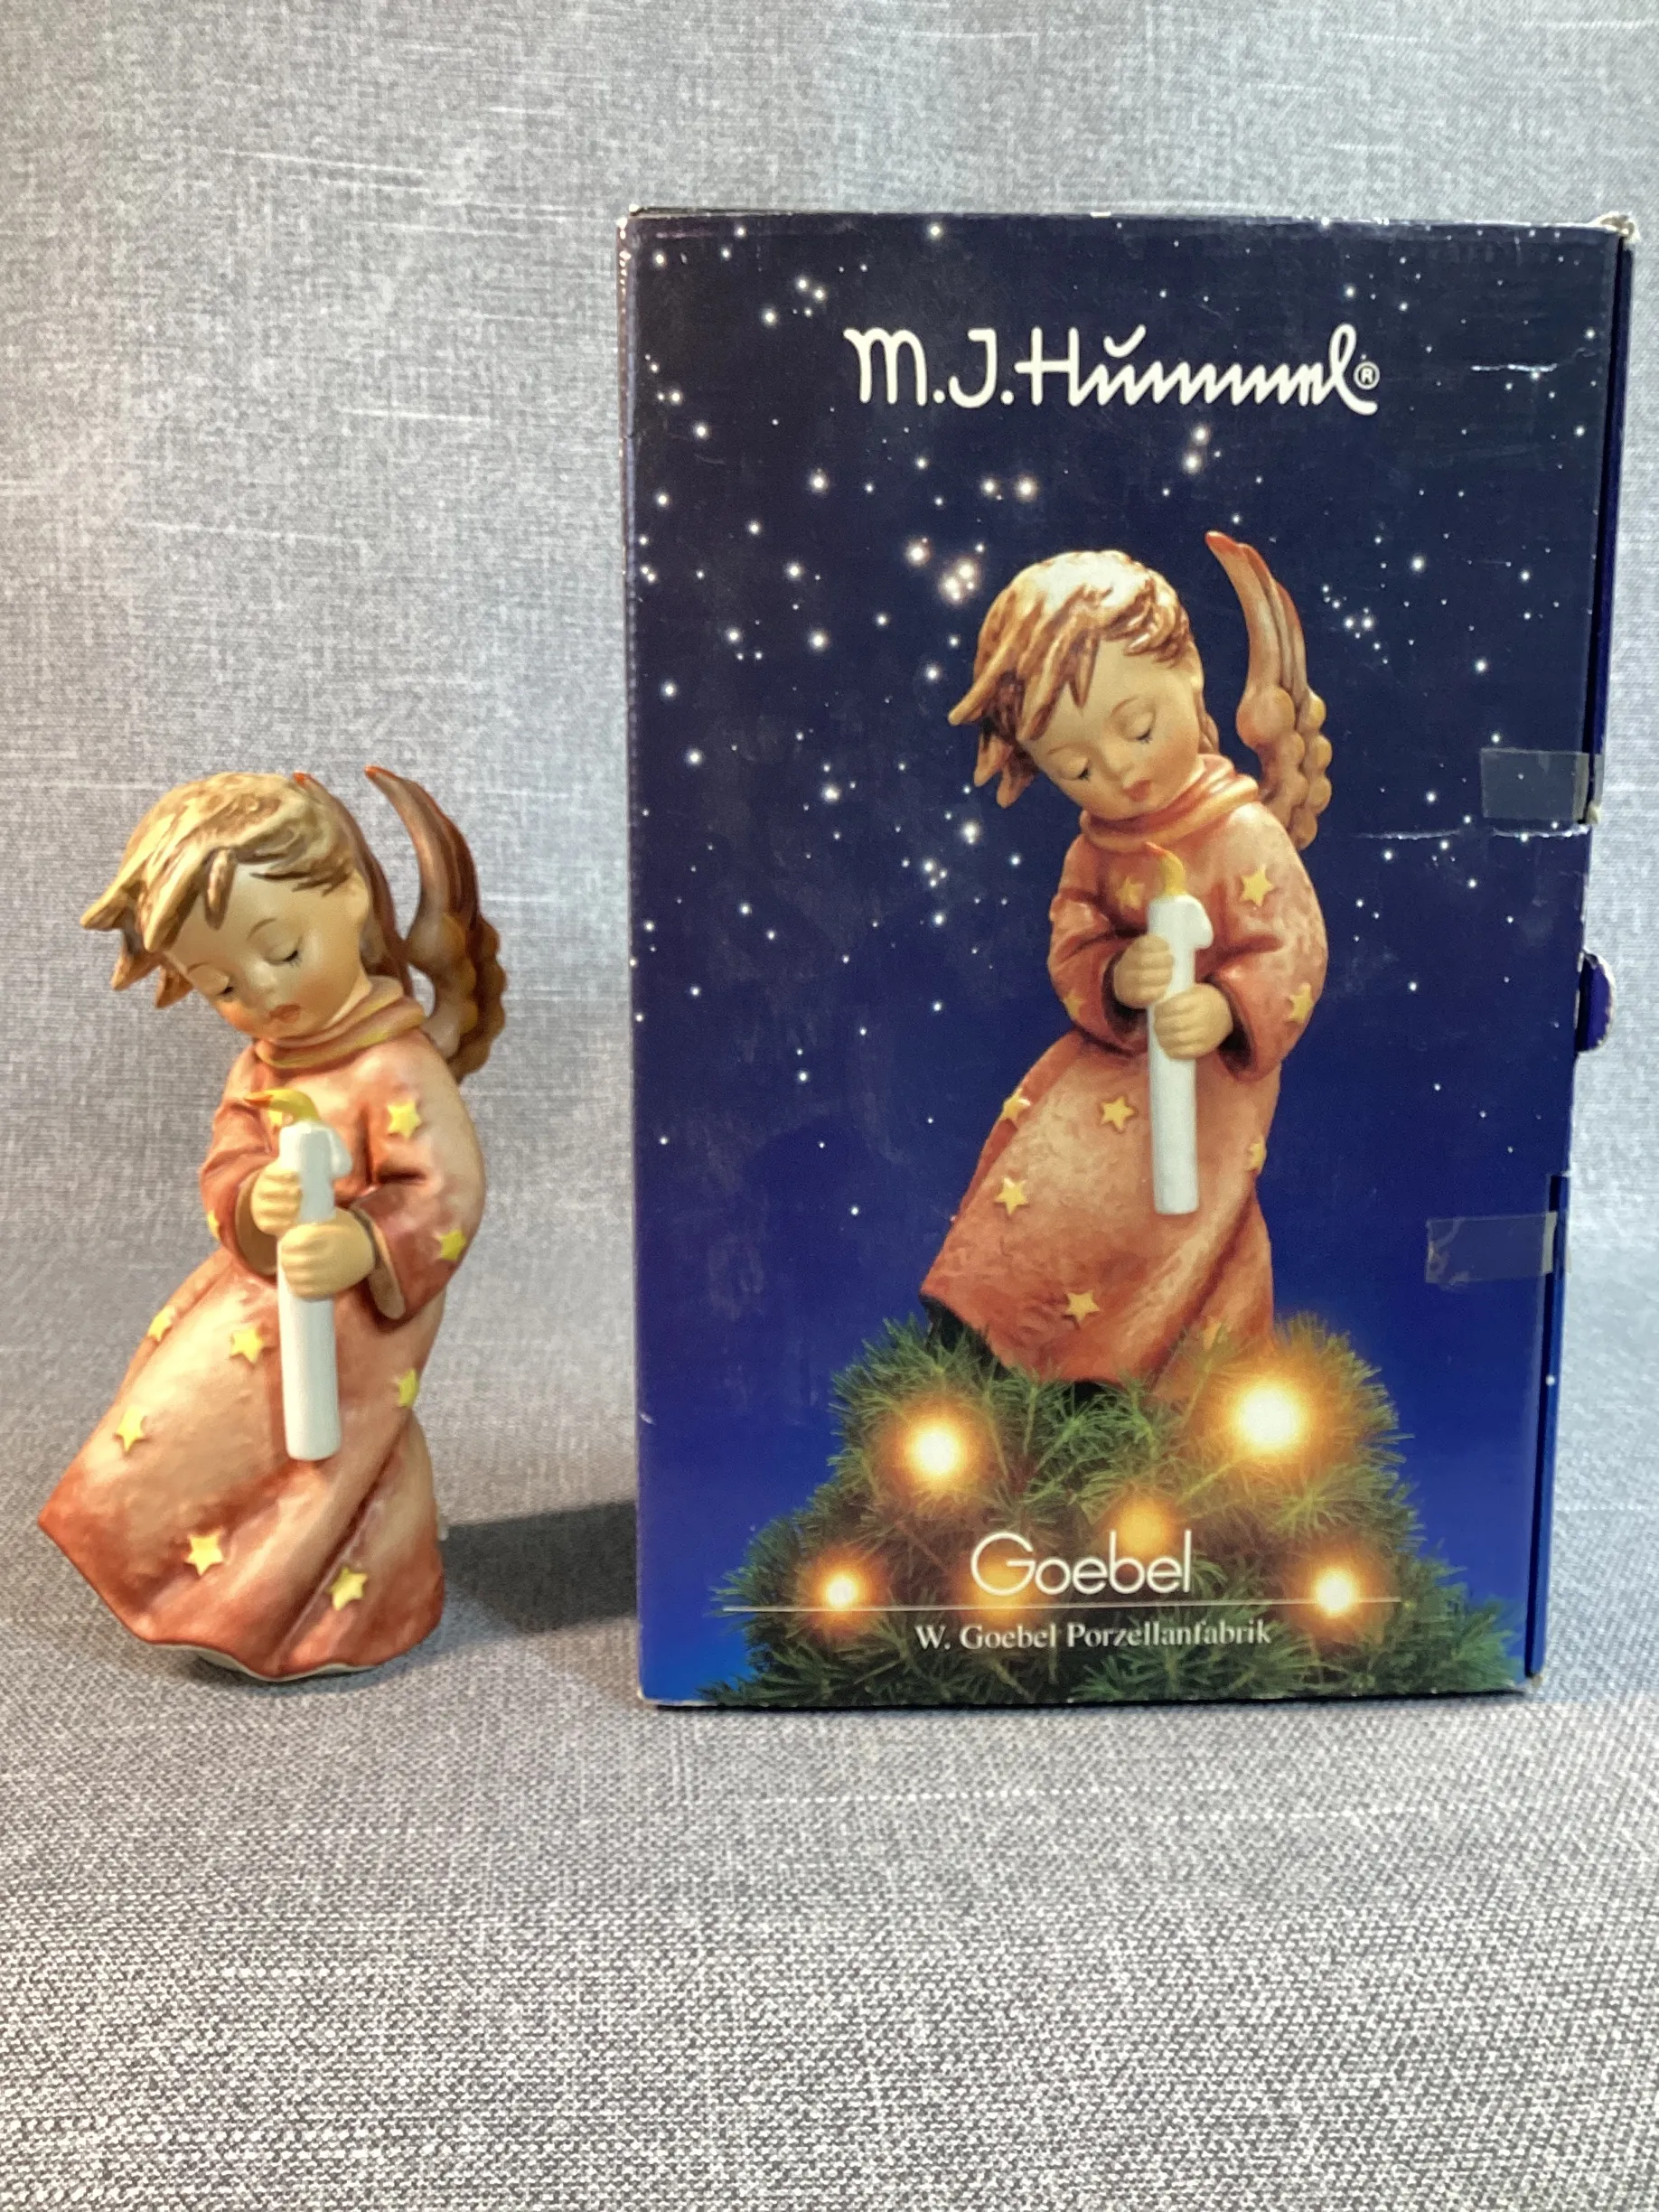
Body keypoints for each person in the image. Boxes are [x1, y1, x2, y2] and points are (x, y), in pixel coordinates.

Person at [39, 768, 504, 1680]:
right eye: (218, 982)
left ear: (350, 896)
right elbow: (228, 1159)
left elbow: (446, 1189)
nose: (260, 990)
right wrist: (254, 1200)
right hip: (262, 1292)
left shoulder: (397, 1065)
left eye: (283, 950)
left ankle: (316, 1606)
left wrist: (365, 1240)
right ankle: (230, 1578)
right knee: (190, 1403)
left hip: (358, 1308)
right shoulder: (261, 1066)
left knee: (328, 1443)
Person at [920, 534, 1330, 1387]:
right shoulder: (1095, 851)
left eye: (1137, 727)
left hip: (1207, 1088)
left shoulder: (1241, 832)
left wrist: (1227, 1006)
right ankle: (995, 1340)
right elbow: (1073, 934)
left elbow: (1293, 947)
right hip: (1105, 1068)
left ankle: (1108, 1375)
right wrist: (1112, 975)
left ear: (1189, 674)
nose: (1117, 771)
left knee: (1168, 1223)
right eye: (1074, 766)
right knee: (1044, 1170)